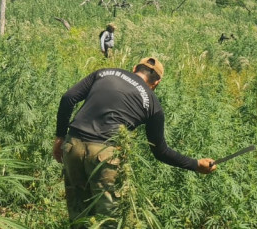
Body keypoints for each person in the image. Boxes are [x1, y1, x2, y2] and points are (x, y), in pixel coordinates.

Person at [53, 57, 216, 228]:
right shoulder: (152, 103)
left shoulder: (104, 73)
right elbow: (160, 151)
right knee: (110, 221)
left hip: (73, 145)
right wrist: (196, 164)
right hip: (105, 156)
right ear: (157, 82)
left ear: (134, 68)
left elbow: (68, 98)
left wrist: (60, 136)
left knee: (79, 216)